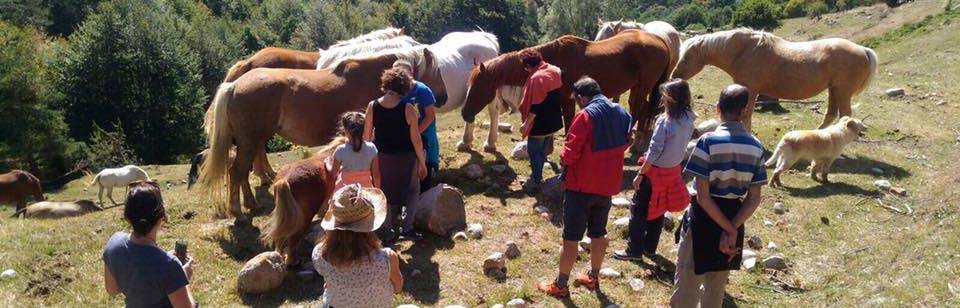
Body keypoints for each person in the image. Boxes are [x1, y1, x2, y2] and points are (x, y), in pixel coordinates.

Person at [671, 84, 767, 308]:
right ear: (745, 110)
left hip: (704, 217)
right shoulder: (756, 147)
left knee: (688, 277)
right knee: (717, 282)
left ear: (717, 108)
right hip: (735, 213)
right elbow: (754, 197)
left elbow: (703, 197)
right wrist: (732, 228)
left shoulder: (708, 141)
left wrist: (728, 228)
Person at [538, 77, 632, 297]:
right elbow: (628, 141)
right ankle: (593, 277)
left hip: (581, 188)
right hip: (607, 187)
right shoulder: (622, 112)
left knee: (571, 238)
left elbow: (569, 154)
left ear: (581, 97)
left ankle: (560, 285)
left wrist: (563, 161)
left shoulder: (585, 116)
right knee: (599, 233)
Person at [614, 79, 697, 261]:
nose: (662, 98)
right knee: (659, 208)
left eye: (665, 95)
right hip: (673, 169)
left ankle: (633, 250)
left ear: (671, 98)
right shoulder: (689, 118)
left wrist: (640, 174)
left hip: (655, 171)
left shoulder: (664, 122)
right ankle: (649, 248)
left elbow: (654, 151)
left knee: (639, 210)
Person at [103, 181, 197, 308]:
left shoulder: (113, 243)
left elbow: (112, 290)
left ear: (127, 217)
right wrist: (182, 280)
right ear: (161, 217)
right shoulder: (169, 265)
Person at [364, 67, 428, 243]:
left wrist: (367, 162)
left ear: (385, 83)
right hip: (406, 157)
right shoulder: (408, 109)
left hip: (382, 157)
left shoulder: (372, 106)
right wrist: (422, 162)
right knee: (412, 191)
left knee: (384, 193)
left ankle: (386, 230)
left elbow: (367, 137)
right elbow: (416, 140)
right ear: (404, 86)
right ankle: (407, 228)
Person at [313, 184, 403, 308]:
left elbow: (327, 281)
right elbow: (398, 287)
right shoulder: (387, 258)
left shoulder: (321, 253)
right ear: (370, 223)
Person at [517, 49, 563, 191]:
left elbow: (536, 106)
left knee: (534, 152)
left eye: (525, 67)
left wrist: (526, 124)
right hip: (554, 120)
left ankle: (536, 180)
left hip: (540, 125)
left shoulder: (537, 78)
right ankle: (537, 174)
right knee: (543, 151)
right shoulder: (554, 70)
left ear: (528, 66)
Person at [392, 60, 440, 192]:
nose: (400, 77)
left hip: (423, 135)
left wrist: (415, 133)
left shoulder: (422, 90)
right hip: (405, 137)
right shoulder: (396, 92)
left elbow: (430, 116)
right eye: (396, 74)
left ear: (411, 73)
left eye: (403, 74)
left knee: (424, 169)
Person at [332, 112, 380, 190]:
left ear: (346, 131)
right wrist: (378, 192)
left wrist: (328, 165)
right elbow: (376, 175)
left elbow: (333, 174)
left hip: (345, 191)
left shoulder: (340, 150)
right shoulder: (372, 148)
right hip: (365, 190)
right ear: (364, 129)